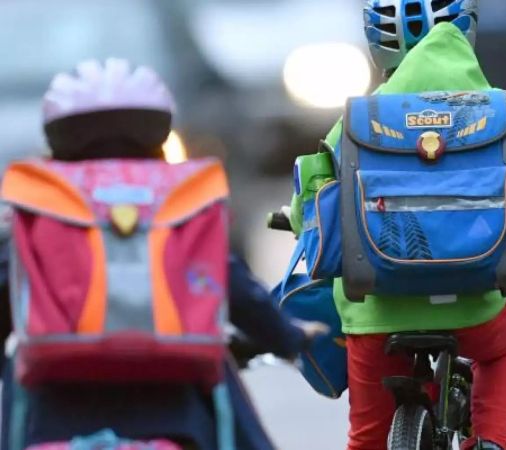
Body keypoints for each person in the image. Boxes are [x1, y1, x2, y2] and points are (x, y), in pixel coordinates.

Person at [287, 1, 506, 449]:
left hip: (376, 314)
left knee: (367, 438)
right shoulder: (502, 114)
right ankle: (491, 441)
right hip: (473, 307)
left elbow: (310, 200)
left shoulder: (358, 120)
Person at [0, 58, 327, 450]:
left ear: (57, 137)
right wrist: (287, 336)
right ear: (157, 133)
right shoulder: (178, 199)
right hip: (179, 414)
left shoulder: (37, 204)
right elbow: (231, 283)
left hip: (52, 417)